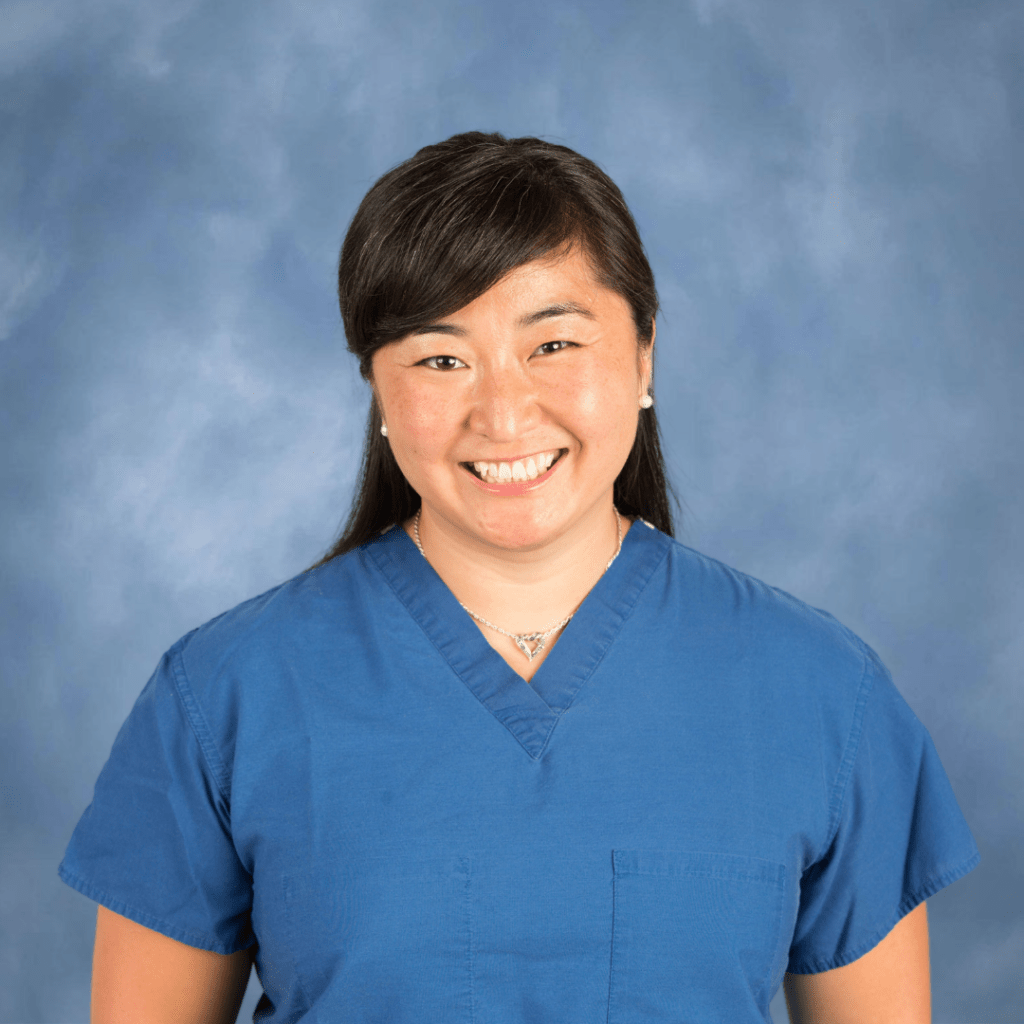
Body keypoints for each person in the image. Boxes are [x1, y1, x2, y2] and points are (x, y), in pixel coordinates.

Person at [60, 132, 979, 1024]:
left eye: (554, 345)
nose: (503, 414)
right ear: (379, 391)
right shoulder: (224, 696)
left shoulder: (820, 693)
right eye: (441, 359)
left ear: (644, 351)